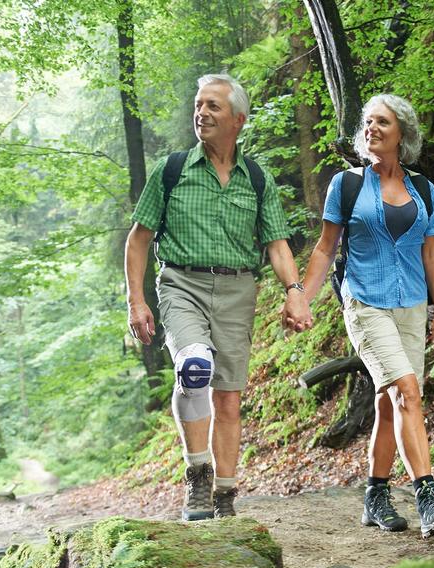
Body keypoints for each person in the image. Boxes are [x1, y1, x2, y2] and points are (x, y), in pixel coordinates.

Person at [125, 74, 311, 521]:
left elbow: (277, 244)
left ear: (238, 120)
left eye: (213, 106)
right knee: (193, 368)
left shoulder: (258, 179)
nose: (201, 113)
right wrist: (135, 300)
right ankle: (197, 478)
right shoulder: (171, 171)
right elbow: (138, 240)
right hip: (181, 285)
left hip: (237, 291)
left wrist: (295, 292)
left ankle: (225, 496)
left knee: (228, 397)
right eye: (198, 105)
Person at [286, 94, 434, 539]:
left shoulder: (423, 187)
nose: (371, 128)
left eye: (382, 122)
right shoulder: (346, 185)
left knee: (392, 404)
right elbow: (326, 247)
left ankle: (375, 495)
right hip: (365, 303)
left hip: (411, 305)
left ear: (401, 133)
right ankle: (429, 495)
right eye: (367, 122)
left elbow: (430, 252)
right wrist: (301, 298)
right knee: (407, 392)